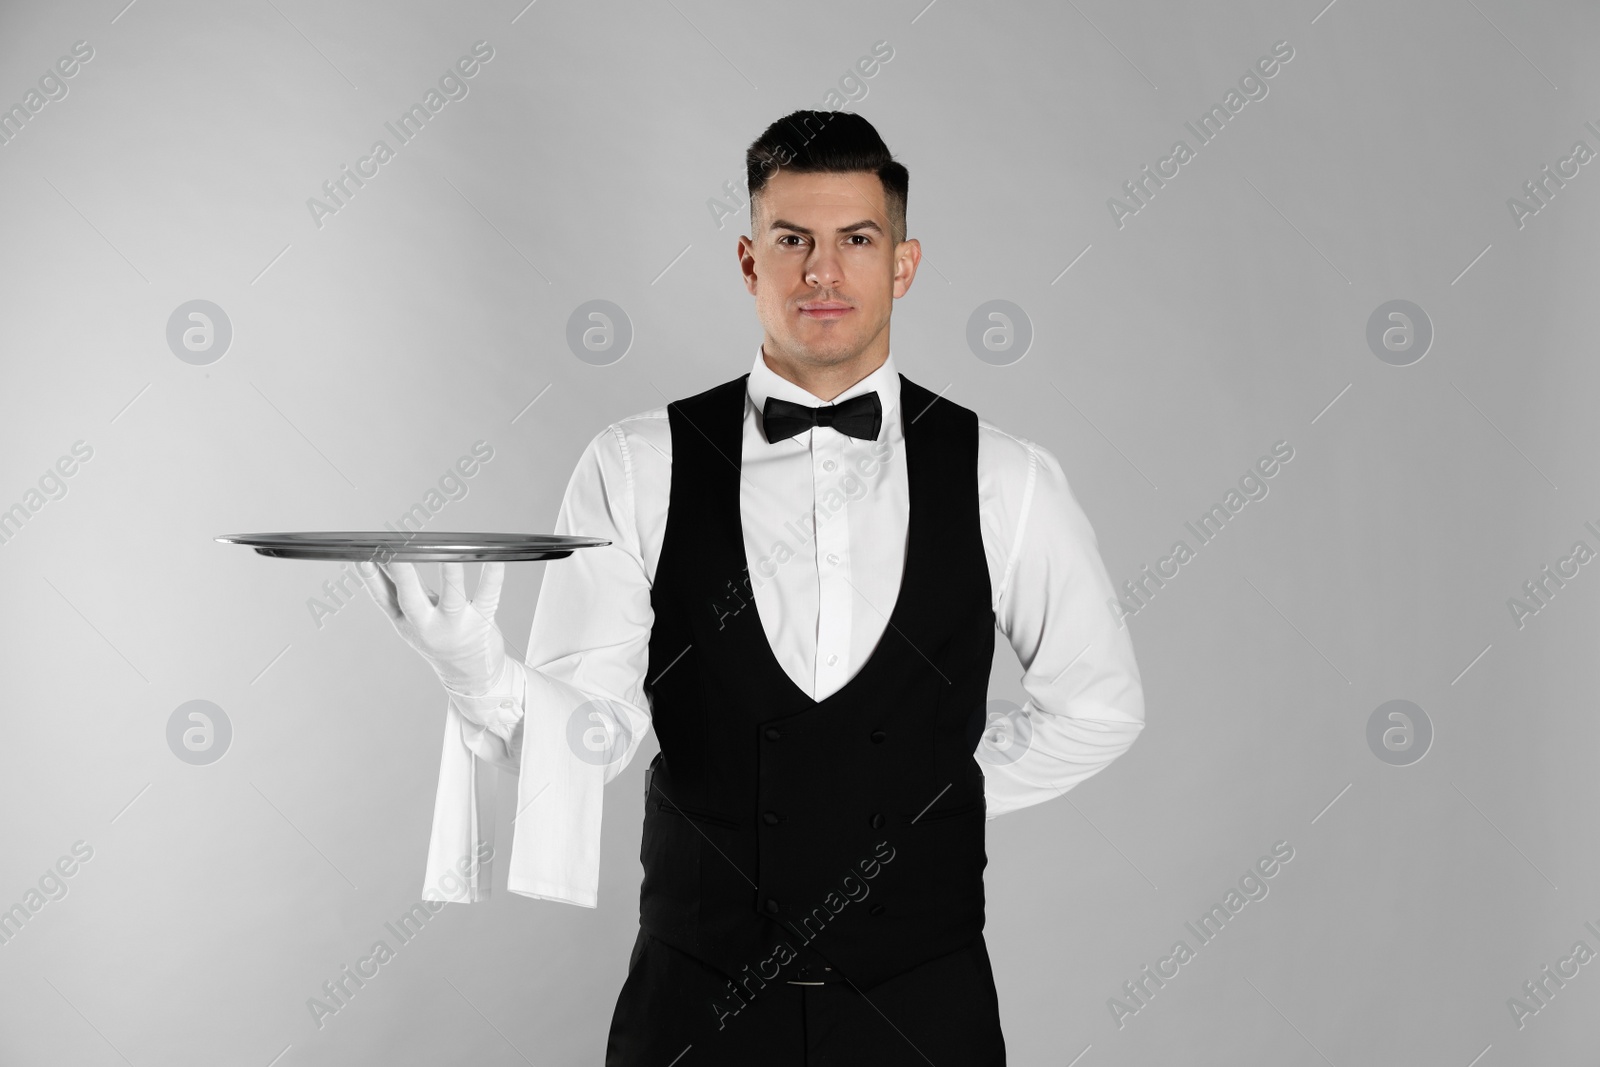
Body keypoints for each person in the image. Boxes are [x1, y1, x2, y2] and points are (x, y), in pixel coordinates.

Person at [358, 109, 1145, 1066]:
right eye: (792, 240)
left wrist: (937, 792)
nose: (823, 271)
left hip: (924, 1011)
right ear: (748, 259)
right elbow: (591, 737)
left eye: (857, 240)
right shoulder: (636, 465)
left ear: (904, 264)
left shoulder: (1005, 476)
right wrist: (476, 671)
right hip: (696, 1012)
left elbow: (1100, 706)